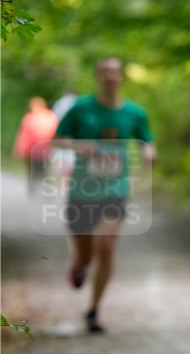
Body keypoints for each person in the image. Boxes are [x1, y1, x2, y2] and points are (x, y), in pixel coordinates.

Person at [51, 58, 156, 333]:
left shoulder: (134, 112)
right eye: (105, 72)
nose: (110, 77)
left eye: (115, 73)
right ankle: (80, 264)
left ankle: (94, 311)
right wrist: (79, 146)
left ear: (121, 77)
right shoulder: (80, 109)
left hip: (115, 189)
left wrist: (148, 151)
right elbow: (57, 139)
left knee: (107, 246)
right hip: (82, 190)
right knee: (87, 253)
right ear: (98, 76)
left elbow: (147, 139)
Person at [12, 97, 58, 195]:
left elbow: (23, 135)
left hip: (40, 149)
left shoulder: (36, 117)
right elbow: (24, 135)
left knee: (40, 170)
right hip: (37, 149)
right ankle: (36, 188)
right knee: (39, 170)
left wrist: (19, 148)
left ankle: (39, 188)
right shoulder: (49, 116)